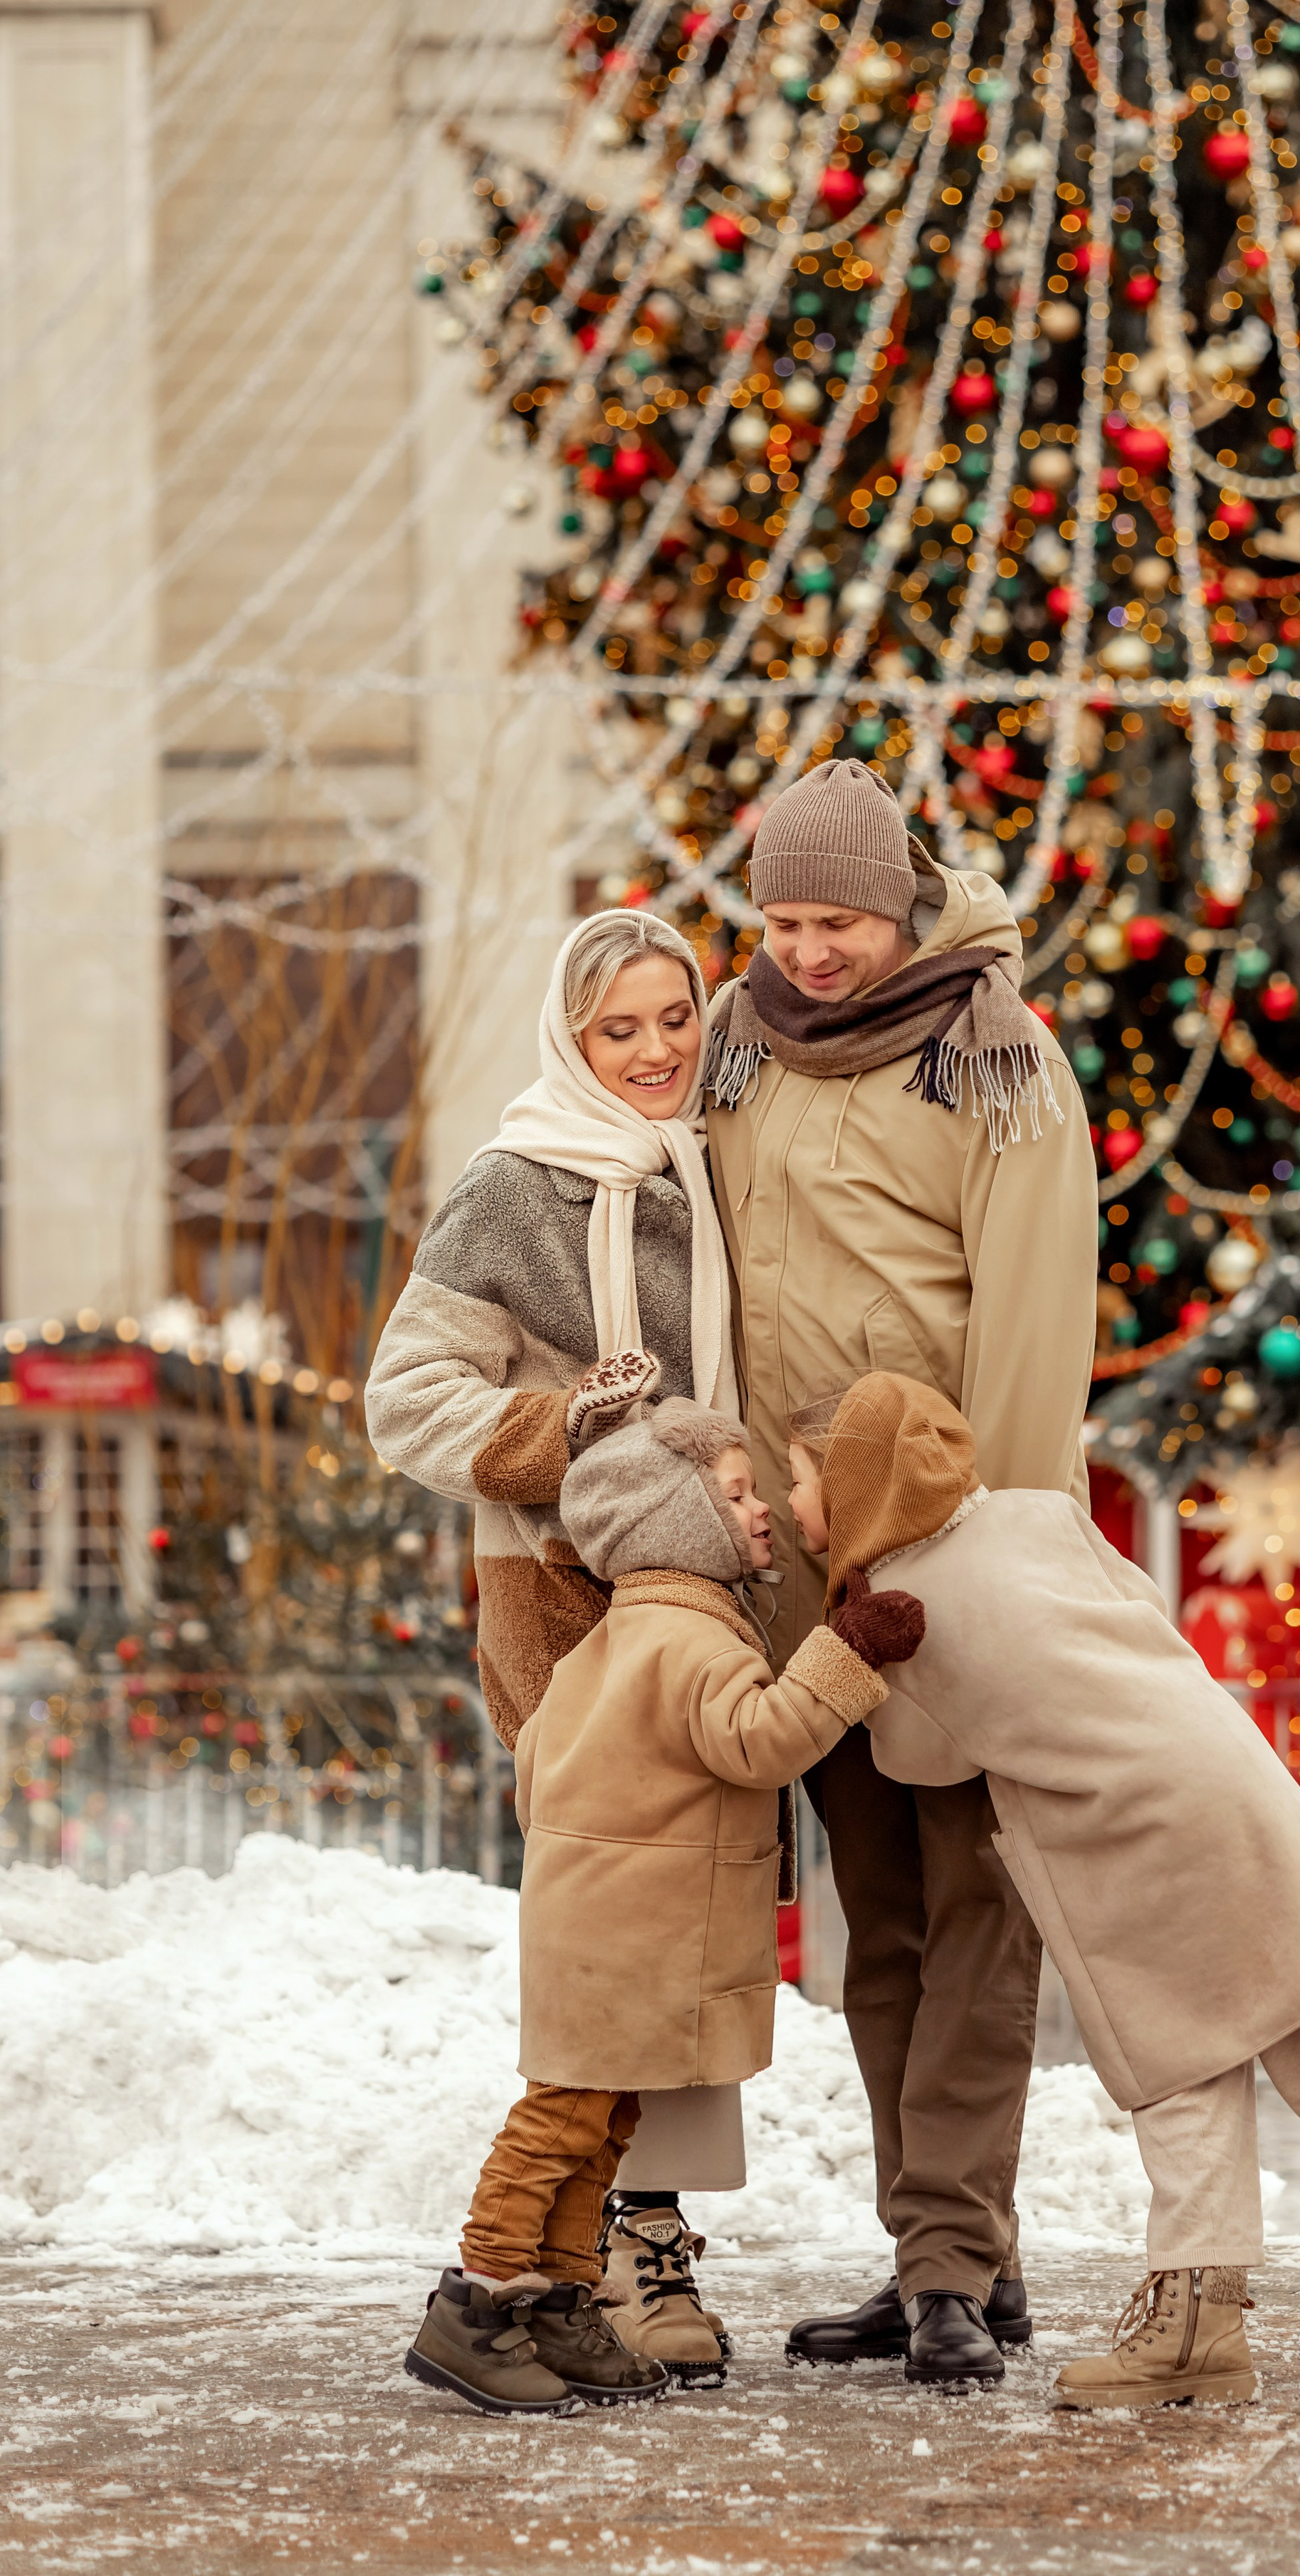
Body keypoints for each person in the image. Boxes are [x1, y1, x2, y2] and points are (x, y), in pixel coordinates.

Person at [783, 1373, 1300, 2411]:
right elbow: (1136, 1604)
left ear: (852, 1483)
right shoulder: (1040, 1514)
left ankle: (1200, 2320)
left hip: (1132, 1841)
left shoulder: (901, 1614)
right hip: (1220, 1773)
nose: (794, 1507)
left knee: (1178, 2056)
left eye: (799, 1481)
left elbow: (923, 1767)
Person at [703, 758, 1099, 2389]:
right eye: (784, 918)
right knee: (875, 1925)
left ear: (903, 900)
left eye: (841, 919)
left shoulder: (993, 1055)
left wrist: (981, 1548)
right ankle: (945, 2257)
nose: (810, 950)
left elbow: (1029, 1318)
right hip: (804, 1571)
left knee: (971, 1912)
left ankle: (946, 2259)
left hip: (942, 1555)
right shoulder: (738, 1046)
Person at [369, 909, 753, 2356]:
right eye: (620, 1028)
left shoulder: (716, 1178)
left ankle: (644, 2241)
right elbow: (405, 1400)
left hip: (704, 1604)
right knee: (613, 1941)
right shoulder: (511, 1188)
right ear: (570, 1040)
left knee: (693, 1928)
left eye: (674, 1017)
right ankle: (572, 2255)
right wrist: (563, 1431)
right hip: (562, 1608)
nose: (655, 1051)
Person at [404, 1388, 924, 2413]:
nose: (763, 1508)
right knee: (561, 2120)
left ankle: (558, 2296)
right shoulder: (689, 1640)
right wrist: (847, 1651)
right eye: (734, 1496)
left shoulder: (614, 1642)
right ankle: (477, 2298)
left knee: (602, 2119)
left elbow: (542, 1767)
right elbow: (761, 1739)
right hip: (629, 1932)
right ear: (675, 1522)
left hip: (603, 1926)